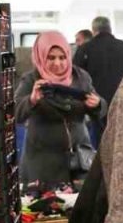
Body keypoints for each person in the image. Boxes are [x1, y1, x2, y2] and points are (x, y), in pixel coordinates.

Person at [15, 31, 103, 187]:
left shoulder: (81, 76)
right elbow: (15, 114)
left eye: (62, 58)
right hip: (42, 166)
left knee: (80, 208)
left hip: (79, 163)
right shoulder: (31, 80)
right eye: (51, 57)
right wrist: (32, 100)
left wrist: (97, 104)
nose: (57, 63)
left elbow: (99, 108)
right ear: (40, 56)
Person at [74, 16, 123, 143]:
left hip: (94, 105)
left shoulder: (85, 49)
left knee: (99, 143)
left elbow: (75, 77)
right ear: (110, 29)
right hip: (121, 105)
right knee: (120, 143)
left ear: (93, 30)